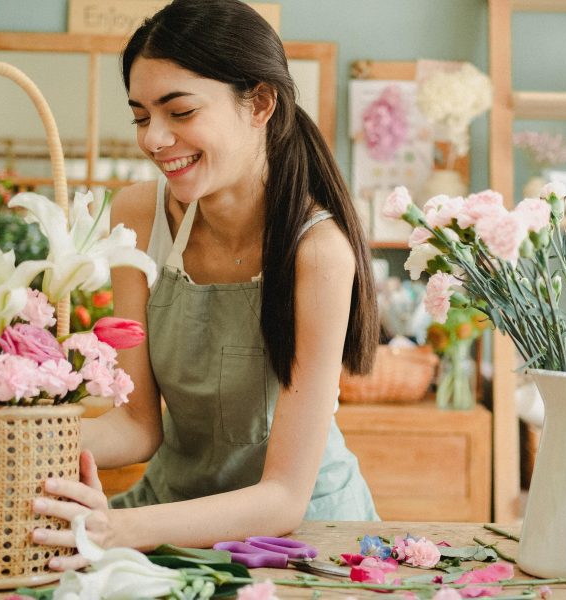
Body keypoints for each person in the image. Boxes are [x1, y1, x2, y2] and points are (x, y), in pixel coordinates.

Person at [30, 0, 380, 569]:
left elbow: (284, 497)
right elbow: (138, 425)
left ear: (261, 102)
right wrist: (17, 444)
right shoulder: (140, 216)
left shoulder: (317, 253)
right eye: (142, 116)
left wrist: (117, 528)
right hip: (168, 514)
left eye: (181, 111)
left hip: (298, 538)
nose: (154, 140)